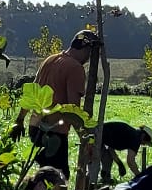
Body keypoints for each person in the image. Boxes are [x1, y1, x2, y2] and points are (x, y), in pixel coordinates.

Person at [18, 28, 99, 177]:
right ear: (86, 48)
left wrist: (20, 119)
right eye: (90, 53)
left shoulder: (50, 59)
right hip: (54, 132)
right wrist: (86, 139)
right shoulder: (75, 68)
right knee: (58, 179)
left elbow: (32, 93)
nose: (88, 58)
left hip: (35, 127)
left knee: (46, 173)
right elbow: (73, 110)